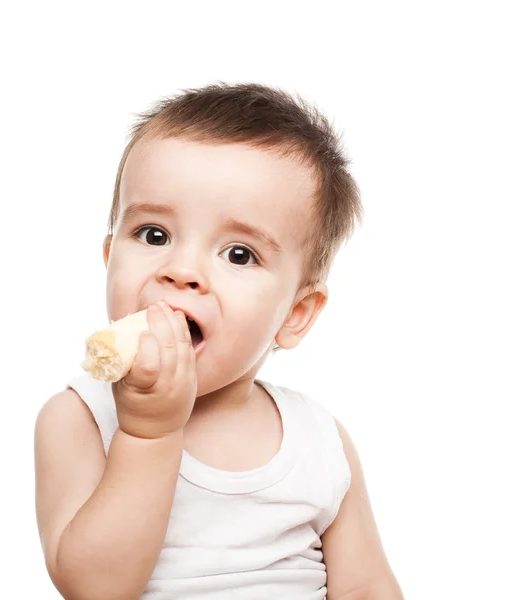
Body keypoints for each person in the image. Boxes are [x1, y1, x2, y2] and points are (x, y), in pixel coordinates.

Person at [34, 82, 404, 599]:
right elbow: (96, 588)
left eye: (238, 254)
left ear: (295, 314)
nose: (182, 270)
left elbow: (368, 588)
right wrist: (147, 432)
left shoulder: (318, 438)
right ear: (109, 257)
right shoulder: (80, 418)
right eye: (154, 235)